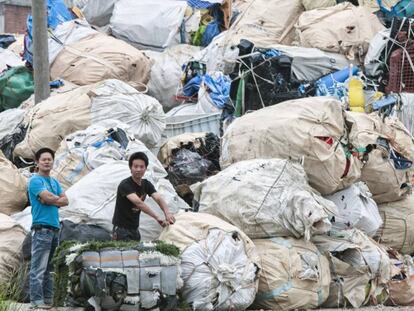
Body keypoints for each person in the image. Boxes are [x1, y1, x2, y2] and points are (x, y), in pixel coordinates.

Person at [28, 148, 68, 309]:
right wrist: (52, 199)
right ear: (37, 162)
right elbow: (48, 197)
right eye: (43, 159)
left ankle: (48, 300)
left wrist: (51, 200)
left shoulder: (54, 182)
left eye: (49, 159)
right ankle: (36, 302)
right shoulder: (35, 181)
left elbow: (66, 201)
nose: (47, 162)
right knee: (38, 268)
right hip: (42, 229)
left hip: (55, 229)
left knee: (50, 269)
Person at [112, 152, 175, 241]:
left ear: (145, 169)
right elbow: (139, 203)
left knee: (135, 253)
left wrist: (167, 213)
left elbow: (158, 198)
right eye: (135, 166)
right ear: (130, 168)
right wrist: (157, 218)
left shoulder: (146, 184)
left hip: (134, 228)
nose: (138, 169)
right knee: (126, 254)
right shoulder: (125, 185)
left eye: (141, 167)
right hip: (122, 229)